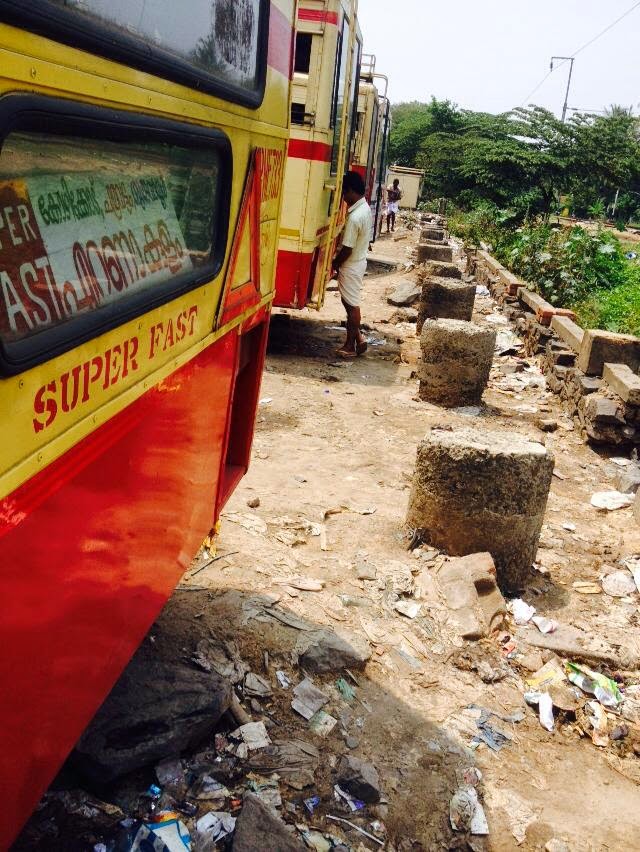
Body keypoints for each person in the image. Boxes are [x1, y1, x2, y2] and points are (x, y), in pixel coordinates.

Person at [332, 171, 373, 358]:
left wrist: (335, 263)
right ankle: (358, 338)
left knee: (352, 306)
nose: (343, 197)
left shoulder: (356, 217)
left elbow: (347, 248)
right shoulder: (365, 209)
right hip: (358, 262)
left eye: (344, 192)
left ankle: (349, 346)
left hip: (351, 264)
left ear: (350, 191)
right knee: (348, 302)